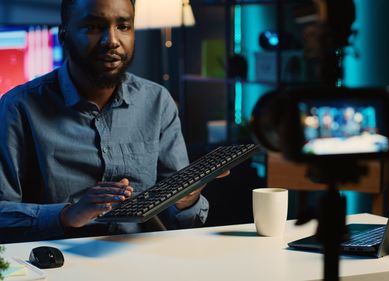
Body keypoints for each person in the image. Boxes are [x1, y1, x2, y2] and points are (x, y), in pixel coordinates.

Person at [0, 0, 228, 243]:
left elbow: (179, 221)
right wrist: (67, 214)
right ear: (64, 36)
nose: (112, 40)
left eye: (123, 26)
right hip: (59, 265)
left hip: (145, 259)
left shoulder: (157, 101)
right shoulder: (18, 107)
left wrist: (185, 200)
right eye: (93, 27)